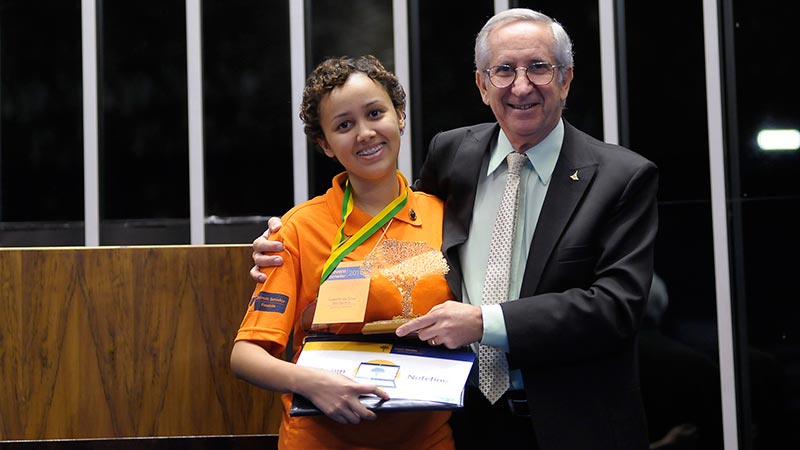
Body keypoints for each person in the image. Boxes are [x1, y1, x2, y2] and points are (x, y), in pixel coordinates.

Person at [251, 9, 658, 450]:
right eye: (503, 71)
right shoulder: (453, 154)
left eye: (539, 67)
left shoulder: (622, 177)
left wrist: (485, 322)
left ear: (566, 78)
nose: (521, 86)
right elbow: (395, 226)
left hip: (573, 424)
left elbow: (618, 307)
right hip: (460, 421)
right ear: (483, 86)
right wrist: (281, 243)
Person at [230, 55, 455, 450]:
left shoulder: (446, 216)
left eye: (375, 113)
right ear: (325, 144)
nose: (365, 133)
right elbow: (246, 356)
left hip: (427, 438)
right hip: (321, 439)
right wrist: (310, 382)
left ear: (400, 116)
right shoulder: (299, 227)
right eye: (344, 125)